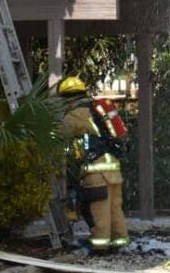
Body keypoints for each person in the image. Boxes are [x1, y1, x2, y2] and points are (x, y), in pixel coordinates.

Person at [60, 75, 131, 251]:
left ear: (67, 98)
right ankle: (120, 242)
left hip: (96, 171)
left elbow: (60, 136)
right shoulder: (97, 108)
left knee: (100, 212)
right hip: (113, 167)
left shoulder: (74, 114)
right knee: (115, 209)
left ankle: (100, 247)